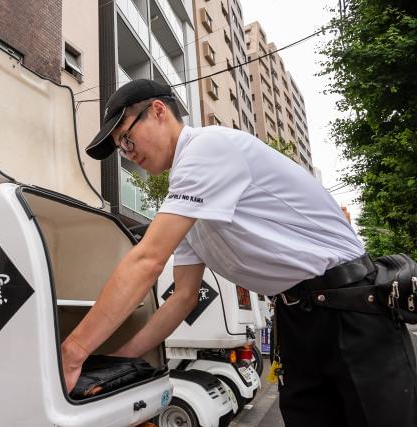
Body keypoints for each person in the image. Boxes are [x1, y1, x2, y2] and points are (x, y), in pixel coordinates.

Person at [61, 79, 417, 426]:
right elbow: (182, 298)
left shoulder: (206, 149)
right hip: (297, 316)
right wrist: (121, 360)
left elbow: (147, 261)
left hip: (351, 308)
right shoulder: (186, 197)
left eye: (125, 137)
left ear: (157, 111)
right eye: (122, 148)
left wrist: (74, 351)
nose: (128, 152)